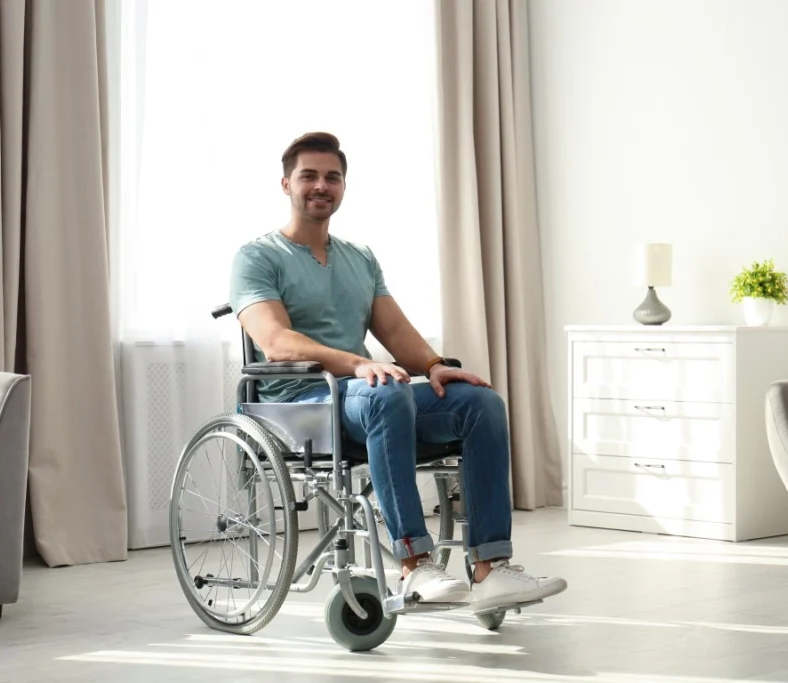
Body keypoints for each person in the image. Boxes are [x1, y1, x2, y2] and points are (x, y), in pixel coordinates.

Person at [228, 132, 567, 613]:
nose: (320, 185)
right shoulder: (257, 257)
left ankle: (491, 569)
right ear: (286, 184)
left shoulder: (359, 258)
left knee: (480, 403)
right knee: (387, 393)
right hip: (301, 401)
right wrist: (360, 364)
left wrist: (433, 366)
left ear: (343, 187)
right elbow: (277, 341)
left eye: (332, 177)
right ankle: (415, 564)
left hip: (360, 394)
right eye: (309, 176)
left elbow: (394, 330)